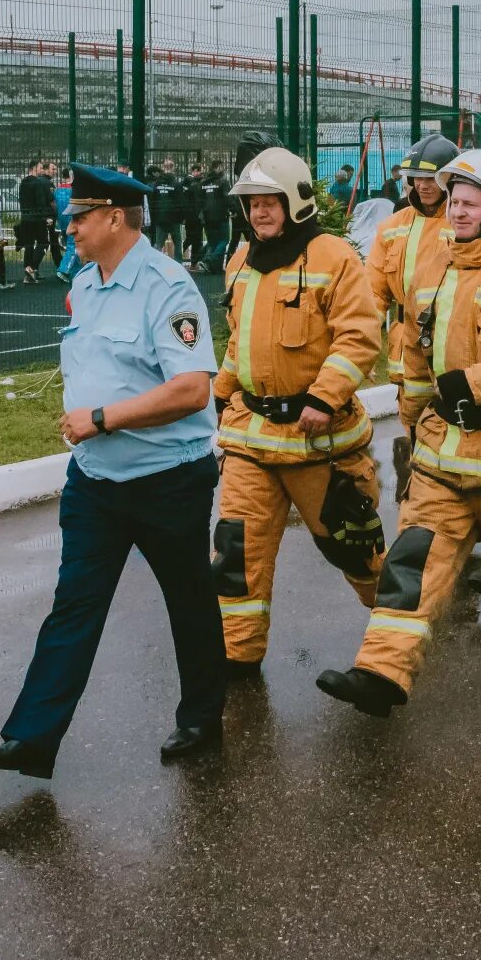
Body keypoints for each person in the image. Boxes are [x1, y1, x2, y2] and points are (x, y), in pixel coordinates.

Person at [0, 165, 224, 779]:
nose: (70, 227)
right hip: (94, 483)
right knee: (73, 606)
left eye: (79, 217)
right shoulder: (83, 282)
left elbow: (192, 389)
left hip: (167, 480)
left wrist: (102, 418)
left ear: (114, 217)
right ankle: (31, 739)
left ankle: (202, 718)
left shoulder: (168, 287)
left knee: (188, 601)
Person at [317, 150, 481, 716]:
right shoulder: (434, 266)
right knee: (412, 561)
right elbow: (414, 346)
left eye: (470, 202)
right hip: (443, 453)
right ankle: (380, 672)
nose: (456, 210)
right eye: (453, 199)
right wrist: (415, 411)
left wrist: (472, 384)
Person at [210, 147, 384, 675]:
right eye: (252, 203)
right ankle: (237, 657)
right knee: (237, 554)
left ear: (295, 202)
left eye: (270, 201)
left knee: (354, 549)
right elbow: (239, 341)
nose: (259, 212)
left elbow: (359, 336)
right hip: (251, 438)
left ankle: (398, 632)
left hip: (319, 441)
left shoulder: (334, 257)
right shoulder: (240, 260)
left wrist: (324, 397)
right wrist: (222, 392)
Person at [366, 134, 459, 503]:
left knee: (453, 416)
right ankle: (419, 494)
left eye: (431, 177)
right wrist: (364, 343)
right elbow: (374, 293)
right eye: (416, 178)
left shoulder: (465, 219)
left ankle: (448, 493)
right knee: (413, 418)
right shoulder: (392, 227)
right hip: (407, 344)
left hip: (454, 337)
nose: (423, 185)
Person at [17, 159, 54, 282]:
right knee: (44, 242)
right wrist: (46, 217)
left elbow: (21, 200)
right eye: (40, 168)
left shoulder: (23, 183)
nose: (42, 170)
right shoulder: (38, 183)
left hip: (26, 217)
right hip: (37, 217)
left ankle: (28, 269)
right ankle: (32, 267)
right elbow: (41, 202)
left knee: (29, 245)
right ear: (33, 168)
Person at [197, 160, 233, 270]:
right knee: (224, 240)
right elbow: (227, 198)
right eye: (222, 167)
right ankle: (209, 259)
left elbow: (199, 200)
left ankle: (210, 264)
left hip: (207, 216)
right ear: (218, 167)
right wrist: (233, 209)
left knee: (212, 242)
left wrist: (202, 212)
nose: (223, 169)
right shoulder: (223, 181)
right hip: (220, 215)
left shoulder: (203, 182)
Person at [181, 163, 208, 271]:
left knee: (191, 238)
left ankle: (182, 258)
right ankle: (193, 263)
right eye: (200, 171)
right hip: (195, 215)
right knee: (196, 239)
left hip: (189, 216)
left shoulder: (185, 183)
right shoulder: (195, 183)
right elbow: (198, 200)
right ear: (195, 171)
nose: (201, 173)